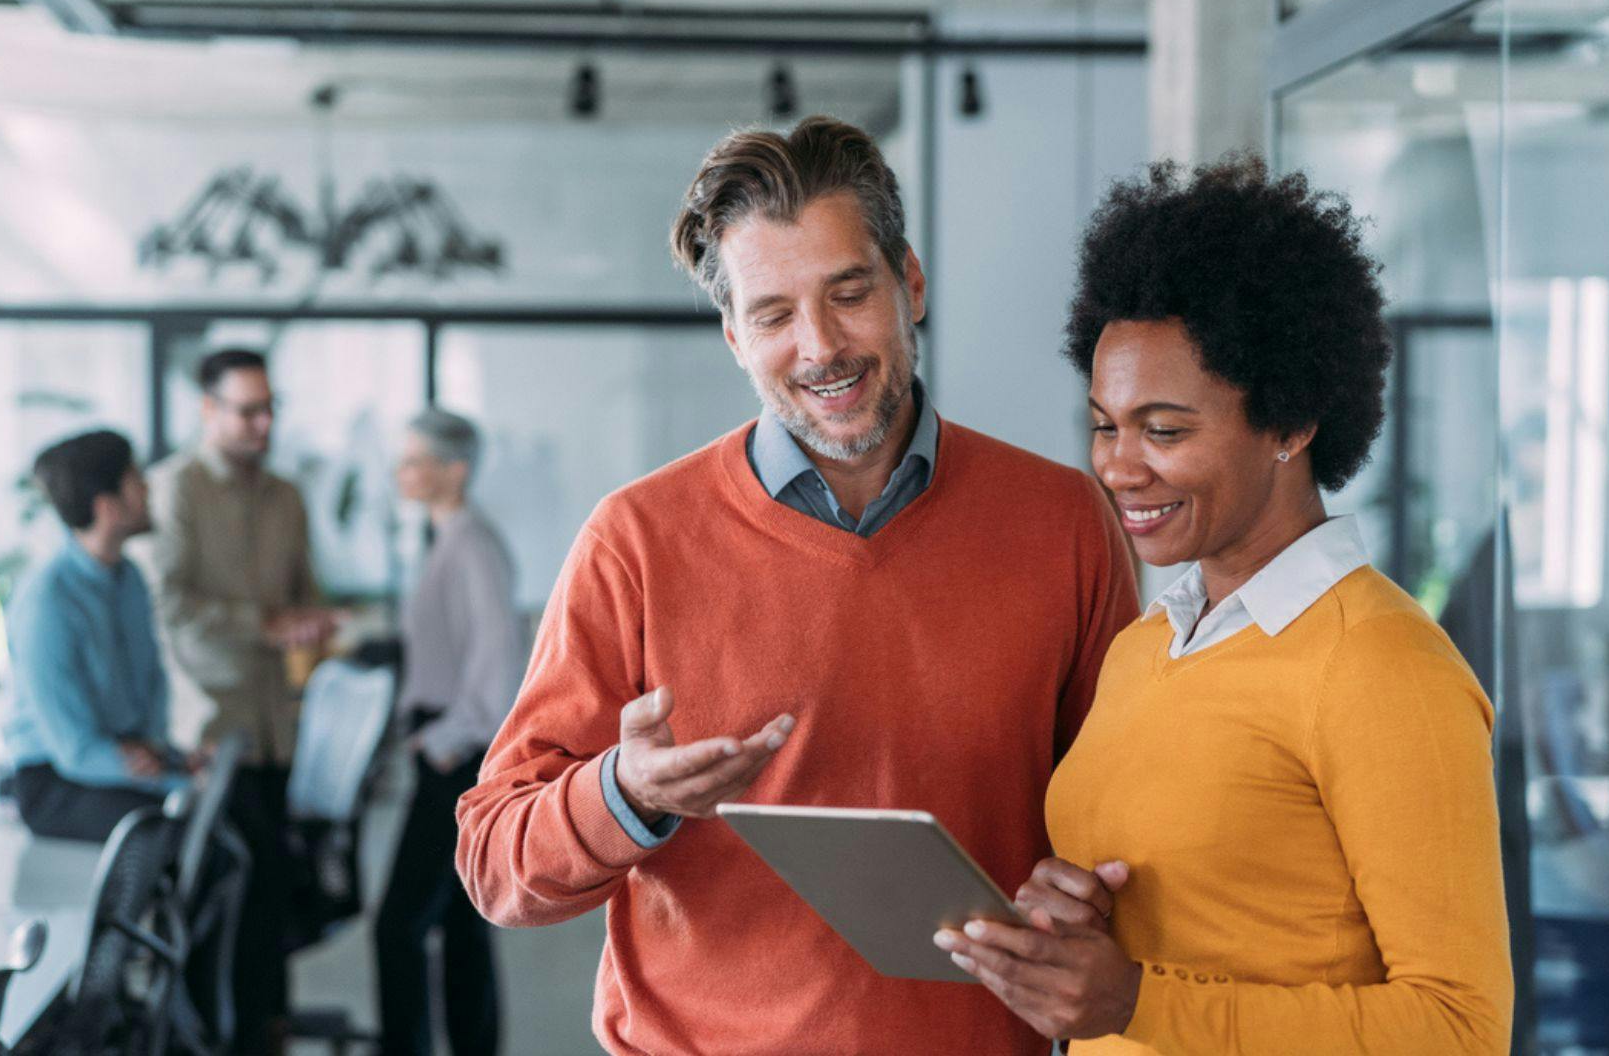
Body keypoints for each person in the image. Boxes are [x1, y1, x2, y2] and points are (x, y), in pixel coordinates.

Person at [457, 115, 1141, 1055]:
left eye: (850, 293)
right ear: (735, 335)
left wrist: (1090, 887)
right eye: (774, 314)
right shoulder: (636, 541)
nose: (820, 346)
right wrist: (626, 792)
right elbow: (496, 863)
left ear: (911, 284)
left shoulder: (1064, 521)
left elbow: (1125, 811)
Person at [933, 155, 1514, 1053]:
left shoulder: (1384, 667)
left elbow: (1460, 1029)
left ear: (1289, 422)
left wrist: (1139, 1002)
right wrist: (1074, 926)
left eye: (1165, 429)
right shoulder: (1145, 648)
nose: (1121, 468)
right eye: (1105, 423)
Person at [145, 347, 336, 1054]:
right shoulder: (174, 491)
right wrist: (264, 624)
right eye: (247, 411)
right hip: (206, 728)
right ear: (208, 409)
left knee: (270, 905)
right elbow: (168, 604)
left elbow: (306, 594)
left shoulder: (286, 497)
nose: (262, 425)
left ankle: (263, 1036)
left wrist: (313, 620)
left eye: (268, 409)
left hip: (277, 729)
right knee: (214, 907)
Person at [374, 409, 523, 1056]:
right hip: (445, 745)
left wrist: (440, 741)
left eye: (416, 460)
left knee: (399, 926)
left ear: (454, 471)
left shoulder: (472, 547)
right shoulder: (444, 540)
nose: (402, 472)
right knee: (462, 922)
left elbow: (496, 673)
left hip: (454, 756)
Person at [5, 429, 185, 842]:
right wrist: (168, 778)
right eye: (136, 479)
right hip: (57, 779)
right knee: (172, 830)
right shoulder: (47, 600)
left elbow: (152, 684)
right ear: (107, 507)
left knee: (226, 808)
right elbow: (73, 749)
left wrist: (165, 755)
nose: (147, 487)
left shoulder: (131, 580)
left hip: (124, 757)